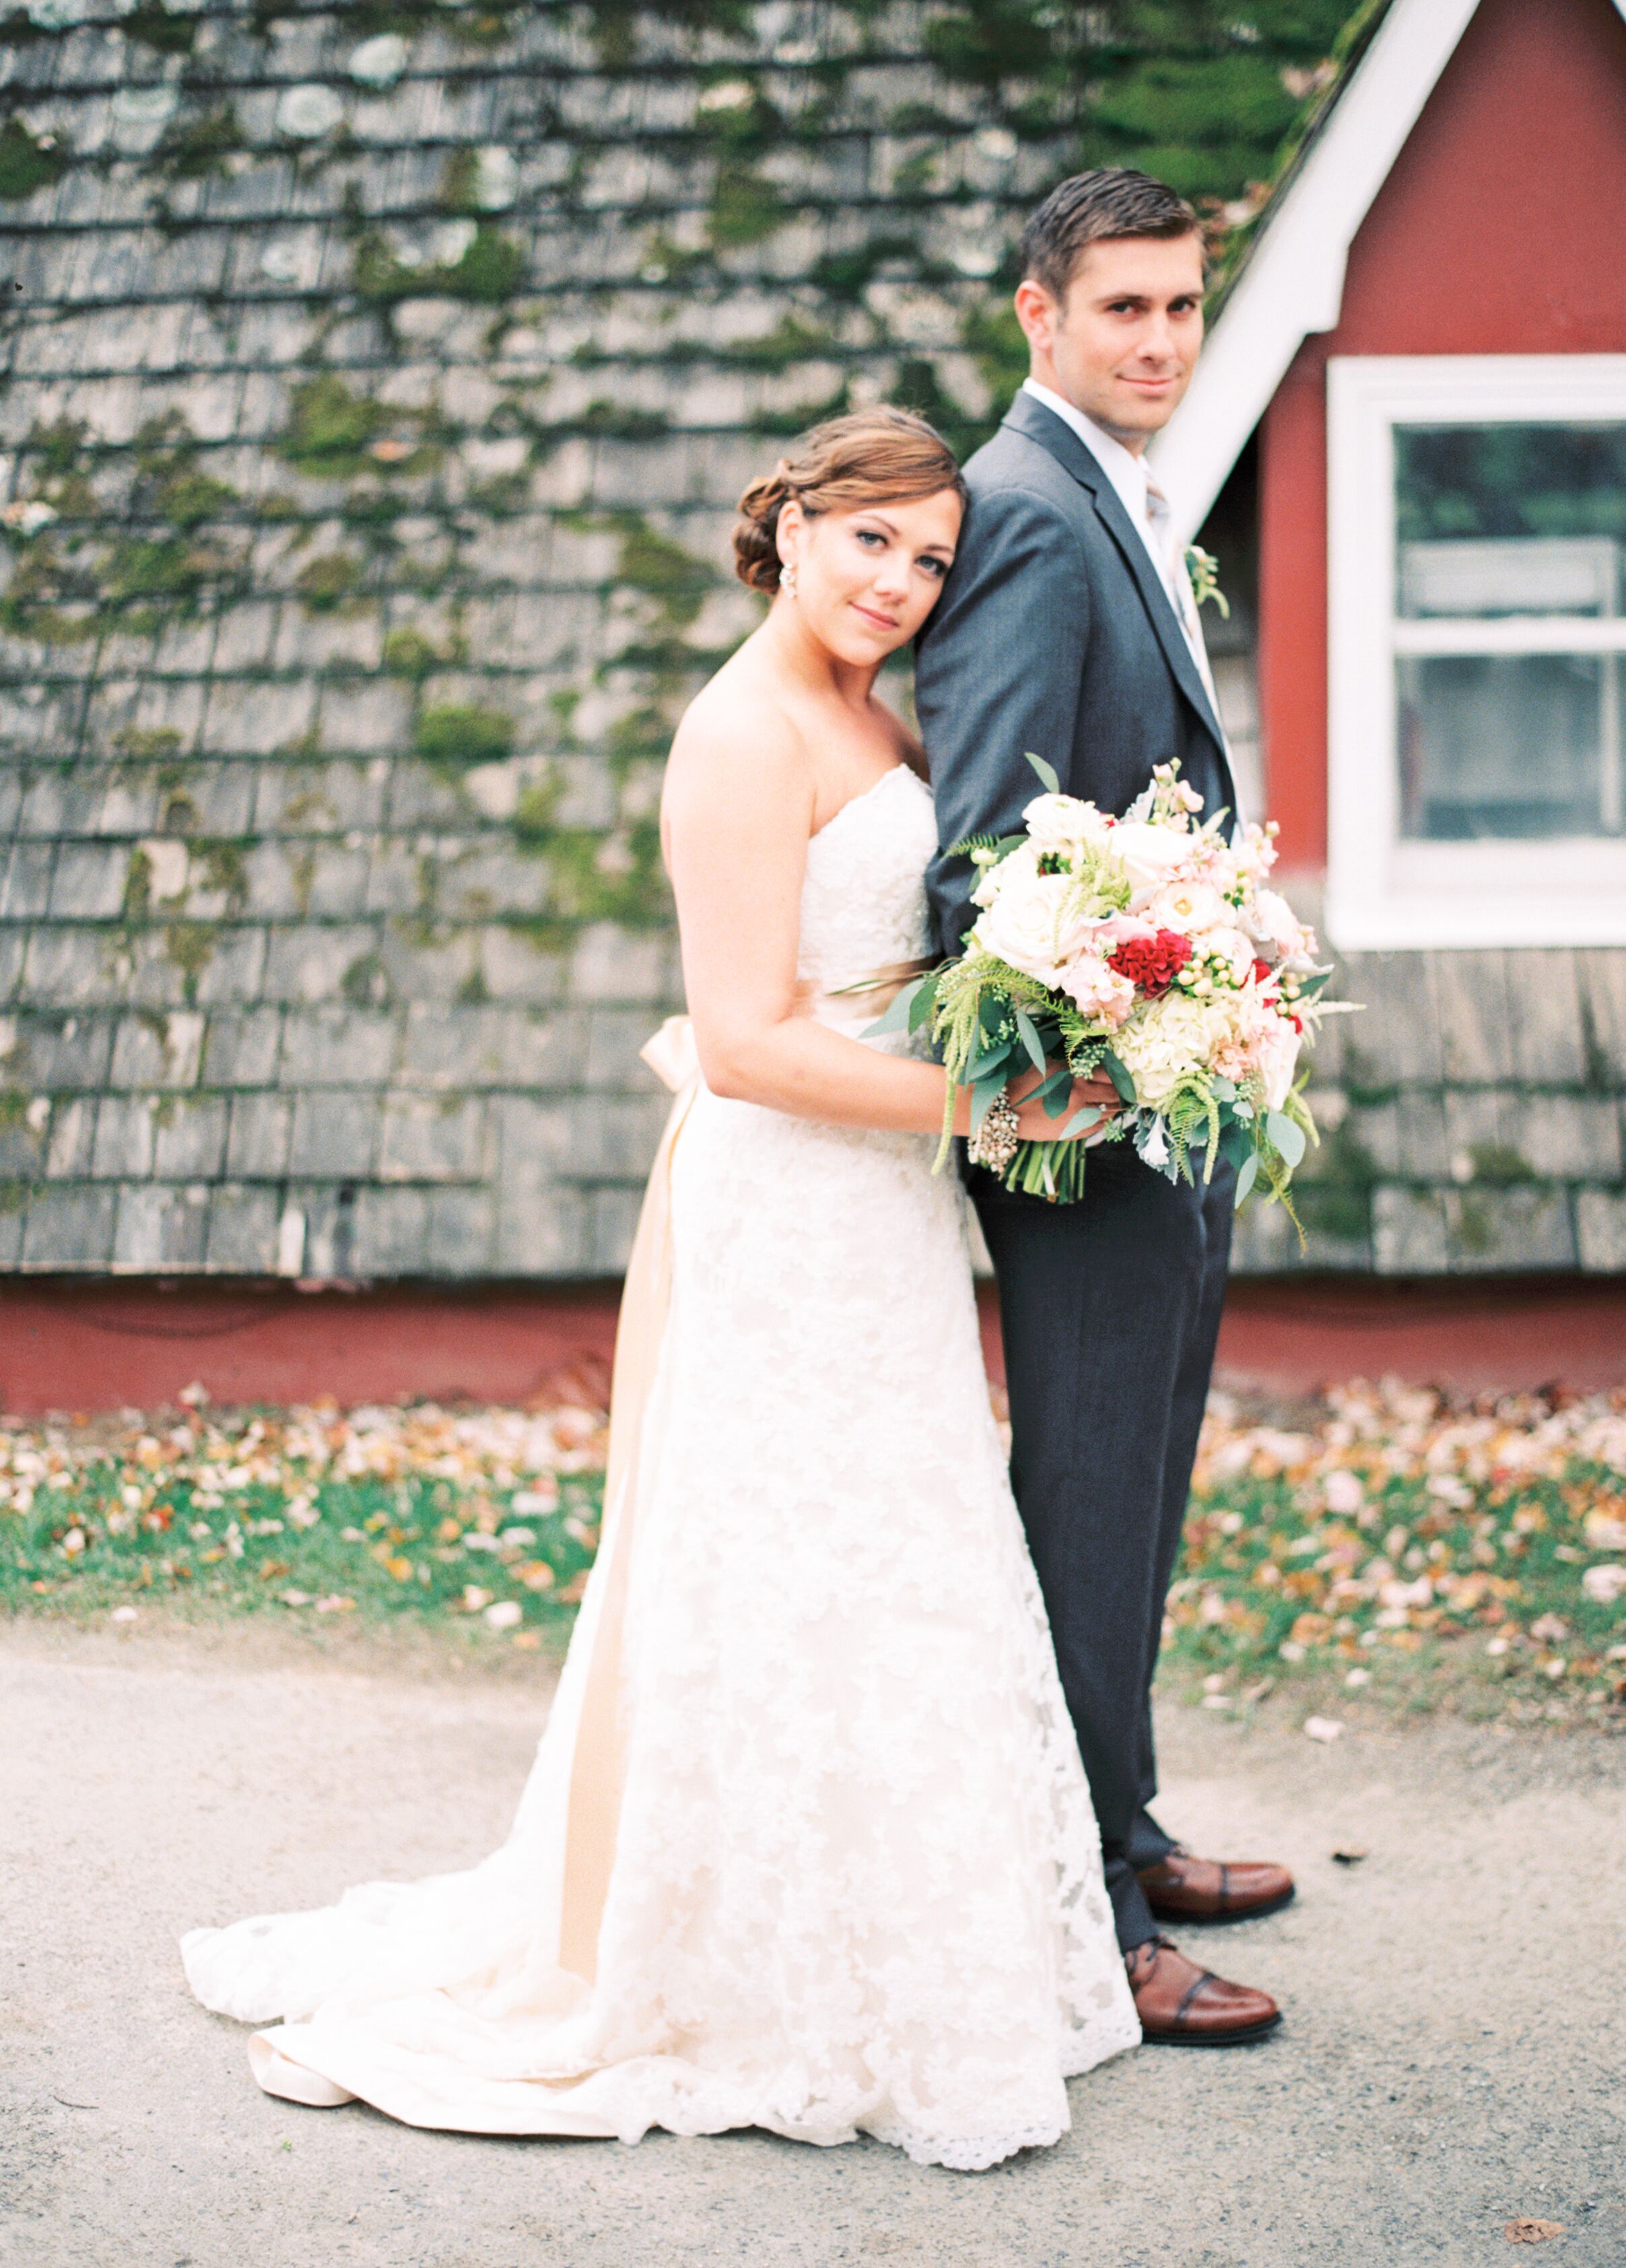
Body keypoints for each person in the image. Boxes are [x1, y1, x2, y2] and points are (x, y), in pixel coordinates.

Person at [180, 407, 1143, 2170]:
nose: (901, 583)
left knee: (900, 1558)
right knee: (773, 1565)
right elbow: (751, 1045)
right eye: (871, 542)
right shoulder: (736, 735)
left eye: (931, 560)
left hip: (885, 1221)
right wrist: (987, 1102)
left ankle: (902, 1947)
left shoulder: (872, 712)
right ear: (788, 524)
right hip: (787, 1210)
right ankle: (730, 1972)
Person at [916, 167, 1292, 2046]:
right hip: (1083, 1113)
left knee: (1132, 1479)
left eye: (1178, 306)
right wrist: (1113, 1040)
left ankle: (1121, 1829)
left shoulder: (1108, 495)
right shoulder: (1027, 517)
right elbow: (983, 848)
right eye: (1120, 307)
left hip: (1171, 1092)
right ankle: (1083, 1912)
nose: (1155, 341)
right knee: (1083, 1489)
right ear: (1036, 314)